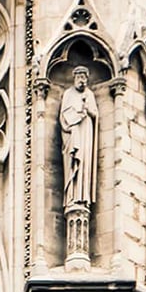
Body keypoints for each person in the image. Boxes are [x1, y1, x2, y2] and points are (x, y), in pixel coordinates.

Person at [59, 66, 98, 207]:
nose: (81, 80)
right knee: (73, 161)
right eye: (79, 77)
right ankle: (72, 195)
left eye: (84, 78)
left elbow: (95, 114)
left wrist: (87, 109)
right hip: (73, 132)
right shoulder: (68, 94)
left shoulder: (89, 95)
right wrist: (76, 116)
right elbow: (63, 116)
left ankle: (83, 196)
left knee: (85, 164)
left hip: (86, 131)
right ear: (74, 78)